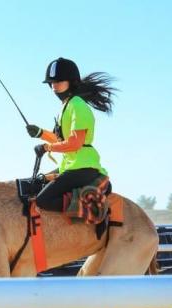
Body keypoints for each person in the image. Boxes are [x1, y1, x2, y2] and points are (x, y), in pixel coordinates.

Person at [26, 57, 115, 212]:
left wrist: (47, 148)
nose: (54, 86)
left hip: (83, 166)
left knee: (43, 200)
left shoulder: (78, 106)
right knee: (36, 183)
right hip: (69, 165)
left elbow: (74, 144)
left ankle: (91, 207)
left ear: (71, 82)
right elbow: (62, 141)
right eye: (52, 83)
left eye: (58, 82)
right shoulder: (66, 106)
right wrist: (40, 133)